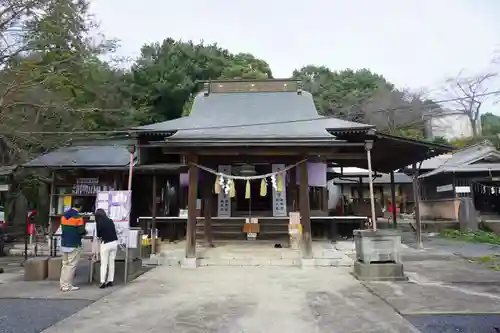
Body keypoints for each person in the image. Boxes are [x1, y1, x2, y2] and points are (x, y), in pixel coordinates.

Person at [60, 202, 86, 292]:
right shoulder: (78, 217)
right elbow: (81, 231)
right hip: (74, 243)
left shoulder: (64, 216)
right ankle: (68, 285)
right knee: (71, 265)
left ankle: (63, 284)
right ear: (80, 207)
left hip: (64, 243)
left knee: (65, 264)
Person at [95, 208, 118, 289]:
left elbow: (99, 235)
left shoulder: (99, 223)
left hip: (106, 243)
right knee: (112, 262)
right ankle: (110, 280)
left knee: (104, 264)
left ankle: (102, 281)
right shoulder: (110, 221)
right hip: (114, 243)